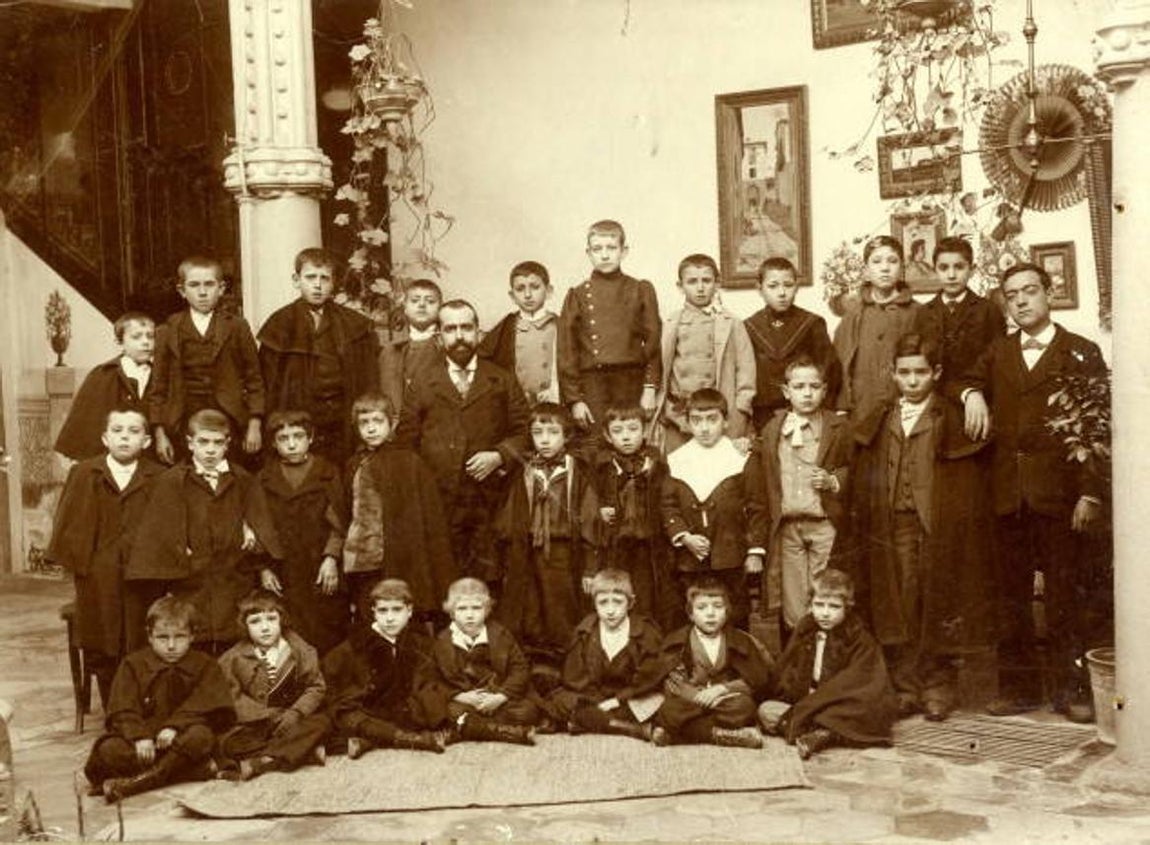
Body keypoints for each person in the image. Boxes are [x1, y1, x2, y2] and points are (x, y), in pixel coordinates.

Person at [952, 263, 1108, 723]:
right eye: (1011, 294)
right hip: (1007, 496)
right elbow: (959, 378)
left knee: (1065, 594)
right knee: (1009, 596)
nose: (1021, 301)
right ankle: (1018, 688)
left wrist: (1091, 494)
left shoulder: (1080, 352)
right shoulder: (998, 351)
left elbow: (1097, 428)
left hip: (1060, 497)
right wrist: (971, 396)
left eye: (1029, 291)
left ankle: (1068, 688)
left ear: (1050, 293)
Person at [853, 333, 995, 720]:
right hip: (895, 523)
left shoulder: (947, 416)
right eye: (904, 373)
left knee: (938, 600)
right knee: (900, 600)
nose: (912, 380)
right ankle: (905, 685)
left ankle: (937, 685)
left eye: (920, 372)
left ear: (936, 373)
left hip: (937, 525)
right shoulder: (883, 417)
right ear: (892, 374)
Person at [395, 300, 531, 587]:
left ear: (478, 333)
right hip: (440, 501)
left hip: (490, 498)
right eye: (450, 329)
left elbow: (524, 432)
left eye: (466, 328)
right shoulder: (421, 383)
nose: (459, 336)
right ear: (439, 336)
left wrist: (499, 455)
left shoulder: (502, 379)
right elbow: (406, 443)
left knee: (491, 577)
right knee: (445, 575)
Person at [126, 409, 283, 652]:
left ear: (228, 444)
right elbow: (158, 532)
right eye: (203, 442)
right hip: (191, 581)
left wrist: (253, 535)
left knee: (233, 644)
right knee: (193, 640)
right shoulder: (172, 481)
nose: (210, 450)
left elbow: (261, 523)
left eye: (218, 443)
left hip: (232, 579)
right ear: (190, 443)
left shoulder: (242, 480)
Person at [47, 408, 164, 706]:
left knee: (139, 635)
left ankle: (139, 705)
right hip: (98, 574)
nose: (125, 437)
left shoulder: (158, 476)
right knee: (103, 639)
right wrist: (81, 565)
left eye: (134, 431)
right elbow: (68, 522)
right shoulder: (85, 472)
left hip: (143, 573)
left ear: (147, 441)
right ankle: (114, 708)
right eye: (118, 430)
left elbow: (167, 524)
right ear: (105, 438)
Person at [83, 596, 234, 802]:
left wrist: (175, 726)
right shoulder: (133, 664)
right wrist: (139, 736)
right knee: (109, 750)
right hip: (144, 746)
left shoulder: (205, 664)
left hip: (181, 742)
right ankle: (188, 773)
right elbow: (122, 707)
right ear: (150, 636)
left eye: (180, 637)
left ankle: (137, 784)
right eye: (163, 638)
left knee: (201, 736)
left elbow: (208, 704)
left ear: (192, 636)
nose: (171, 646)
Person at [745, 357, 852, 643]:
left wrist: (833, 480)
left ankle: (825, 663)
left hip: (823, 524)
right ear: (786, 391)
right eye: (799, 386)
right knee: (793, 602)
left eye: (814, 386)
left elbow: (854, 467)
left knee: (826, 596)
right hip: (789, 527)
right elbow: (762, 468)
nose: (807, 393)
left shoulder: (837, 426)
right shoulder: (773, 429)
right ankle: (799, 661)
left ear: (825, 389)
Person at [495, 403, 599, 663]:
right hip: (529, 551)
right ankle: (536, 664)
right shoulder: (525, 470)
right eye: (537, 432)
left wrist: (590, 567)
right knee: (530, 607)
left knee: (561, 608)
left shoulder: (577, 471)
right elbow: (508, 520)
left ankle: (567, 663)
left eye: (552, 432)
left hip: (564, 553)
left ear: (566, 436)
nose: (544, 439)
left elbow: (590, 521)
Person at [257, 247, 381, 464]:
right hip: (298, 420)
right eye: (310, 277)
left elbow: (368, 377)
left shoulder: (354, 323)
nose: (317, 285)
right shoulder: (280, 324)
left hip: (342, 421)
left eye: (324, 278)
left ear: (333, 283)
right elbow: (268, 383)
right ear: (297, 280)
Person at [342, 392, 457, 625]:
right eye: (364, 423)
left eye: (377, 421)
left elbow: (428, 519)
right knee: (369, 619)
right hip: (364, 560)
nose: (371, 429)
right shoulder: (354, 463)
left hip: (401, 559)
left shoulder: (409, 462)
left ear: (392, 423)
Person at [758, 570, 897, 759]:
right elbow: (788, 667)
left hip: (840, 701)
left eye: (834, 607)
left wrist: (814, 704)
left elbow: (860, 682)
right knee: (766, 710)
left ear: (846, 608)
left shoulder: (857, 635)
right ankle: (821, 729)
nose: (825, 613)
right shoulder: (806, 628)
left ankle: (824, 733)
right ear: (810, 605)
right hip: (810, 698)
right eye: (819, 605)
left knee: (864, 712)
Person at [661, 388, 764, 630]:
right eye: (697, 421)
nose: (704, 428)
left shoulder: (740, 458)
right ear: (687, 423)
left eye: (712, 420)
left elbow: (757, 507)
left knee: (734, 612)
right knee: (693, 609)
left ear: (726, 421)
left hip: (731, 556)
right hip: (690, 557)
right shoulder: (677, 460)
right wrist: (684, 536)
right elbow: (668, 505)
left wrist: (755, 551)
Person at [149, 255, 265, 465]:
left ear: (221, 289)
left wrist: (254, 425)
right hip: (182, 418)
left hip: (229, 416)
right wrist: (160, 434)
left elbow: (254, 379)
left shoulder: (237, 327)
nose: (202, 292)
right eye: (194, 285)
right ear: (182, 291)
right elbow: (158, 387)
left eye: (209, 285)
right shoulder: (167, 330)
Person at [322, 578, 451, 757]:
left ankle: (375, 740)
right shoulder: (356, 645)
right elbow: (334, 685)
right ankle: (412, 740)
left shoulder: (419, 642)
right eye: (383, 611)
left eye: (397, 610)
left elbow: (429, 681)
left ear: (409, 611)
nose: (390, 618)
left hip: (404, 709)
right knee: (348, 717)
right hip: (368, 709)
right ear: (374, 612)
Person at [557, 219, 662, 436]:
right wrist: (575, 400)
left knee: (631, 442)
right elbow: (567, 352)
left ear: (624, 251)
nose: (604, 255)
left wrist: (650, 388)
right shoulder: (576, 295)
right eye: (597, 249)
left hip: (632, 382)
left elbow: (653, 344)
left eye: (611, 248)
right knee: (596, 448)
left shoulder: (640, 289)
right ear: (588, 253)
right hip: (593, 386)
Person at [257, 410, 349, 654]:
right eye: (283, 438)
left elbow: (339, 522)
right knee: (288, 627)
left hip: (321, 566)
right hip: (284, 568)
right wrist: (264, 568)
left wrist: (331, 558)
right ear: (274, 444)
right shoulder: (265, 479)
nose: (291, 444)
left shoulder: (327, 472)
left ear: (310, 438)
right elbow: (258, 526)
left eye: (298, 436)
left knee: (326, 627)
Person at [216, 590, 330, 780]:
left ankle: (263, 760)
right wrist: (266, 716)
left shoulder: (298, 648)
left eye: (271, 619)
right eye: (255, 622)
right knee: (229, 743)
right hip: (257, 725)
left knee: (323, 723)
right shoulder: (232, 658)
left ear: (281, 620)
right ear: (244, 626)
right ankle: (302, 753)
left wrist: (296, 712)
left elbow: (315, 686)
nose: (265, 628)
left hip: (292, 719)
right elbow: (231, 696)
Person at [652, 253, 756, 453]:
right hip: (679, 415)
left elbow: (746, 372)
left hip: (717, 414)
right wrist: (667, 409)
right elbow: (663, 369)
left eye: (706, 281)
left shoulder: (731, 323)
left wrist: (740, 412)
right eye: (692, 281)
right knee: (680, 469)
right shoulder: (671, 324)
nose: (700, 288)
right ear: (680, 286)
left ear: (717, 283)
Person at [654, 579, 773, 748]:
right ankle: (723, 734)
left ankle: (680, 734)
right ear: (691, 614)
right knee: (669, 711)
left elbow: (755, 679)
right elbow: (674, 682)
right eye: (701, 608)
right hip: (692, 701)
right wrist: (699, 698)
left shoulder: (740, 640)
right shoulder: (678, 641)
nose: (710, 613)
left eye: (717, 606)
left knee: (745, 707)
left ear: (726, 611)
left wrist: (721, 690)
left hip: (725, 700)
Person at [551, 569, 666, 742]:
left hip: (631, 698)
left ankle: (587, 722)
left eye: (618, 602)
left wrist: (618, 700)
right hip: (593, 697)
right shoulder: (586, 631)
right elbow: (575, 677)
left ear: (630, 603)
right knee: (560, 700)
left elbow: (649, 677)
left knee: (658, 702)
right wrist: (597, 702)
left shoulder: (644, 632)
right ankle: (627, 728)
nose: (610, 610)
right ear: (594, 604)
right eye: (603, 603)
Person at [429, 577, 539, 745]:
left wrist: (501, 696)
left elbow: (520, 669)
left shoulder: (500, 635)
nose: (470, 615)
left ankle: (468, 728)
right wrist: (460, 696)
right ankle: (503, 732)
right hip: (465, 700)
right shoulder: (443, 641)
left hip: (495, 696)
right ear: (451, 612)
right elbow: (434, 679)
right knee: (446, 711)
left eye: (476, 608)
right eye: (462, 609)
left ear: (487, 610)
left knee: (527, 711)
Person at [833, 236, 925, 426]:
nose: (885, 268)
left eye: (892, 261)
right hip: (860, 412)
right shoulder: (853, 314)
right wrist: (842, 407)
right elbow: (840, 362)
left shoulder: (918, 313)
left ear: (902, 268)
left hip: (904, 412)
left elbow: (927, 364)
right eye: (876, 261)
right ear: (866, 270)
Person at [591, 405, 670, 625]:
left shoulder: (656, 464)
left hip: (649, 542)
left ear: (645, 431)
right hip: (616, 543)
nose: (626, 437)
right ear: (607, 435)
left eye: (633, 429)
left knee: (646, 591)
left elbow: (666, 498)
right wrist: (601, 509)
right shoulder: (602, 467)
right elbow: (591, 498)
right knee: (617, 588)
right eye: (617, 431)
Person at [743, 257, 840, 432]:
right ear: (760, 289)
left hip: (808, 412)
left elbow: (829, 371)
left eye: (788, 285)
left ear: (796, 286)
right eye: (773, 286)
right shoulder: (749, 326)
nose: (782, 293)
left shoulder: (812, 323)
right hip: (764, 416)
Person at [55, 313, 156, 462]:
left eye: (150, 336)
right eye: (136, 337)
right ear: (119, 342)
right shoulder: (103, 374)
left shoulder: (160, 374)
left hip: (150, 457)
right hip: (110, 456)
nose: (145, 342)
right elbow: (85, 418)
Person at [916, 236, 1006, 390]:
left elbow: (998, 361)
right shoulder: (923, 313)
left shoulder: (989, 310)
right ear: (934, 270)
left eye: (959, 267)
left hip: (978, 399)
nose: (951, 275)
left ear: (972, 270)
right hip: (936, 400)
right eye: (943, 268)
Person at [477, 260, 561, 406]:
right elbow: (485, 362)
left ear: (548, 291)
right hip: (517, 403)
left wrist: (556, 389)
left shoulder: (561, 325)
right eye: (520, 289)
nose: (527, 295)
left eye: (535, 287)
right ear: (512, 296)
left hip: (553, 401)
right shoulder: (507, 326)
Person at [378, 278, 444, 416]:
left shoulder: (445, 346)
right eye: (415, 300)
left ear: (440, 309)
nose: (422, 305)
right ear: (405, 308)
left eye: (430, 301)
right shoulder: (390, 350)